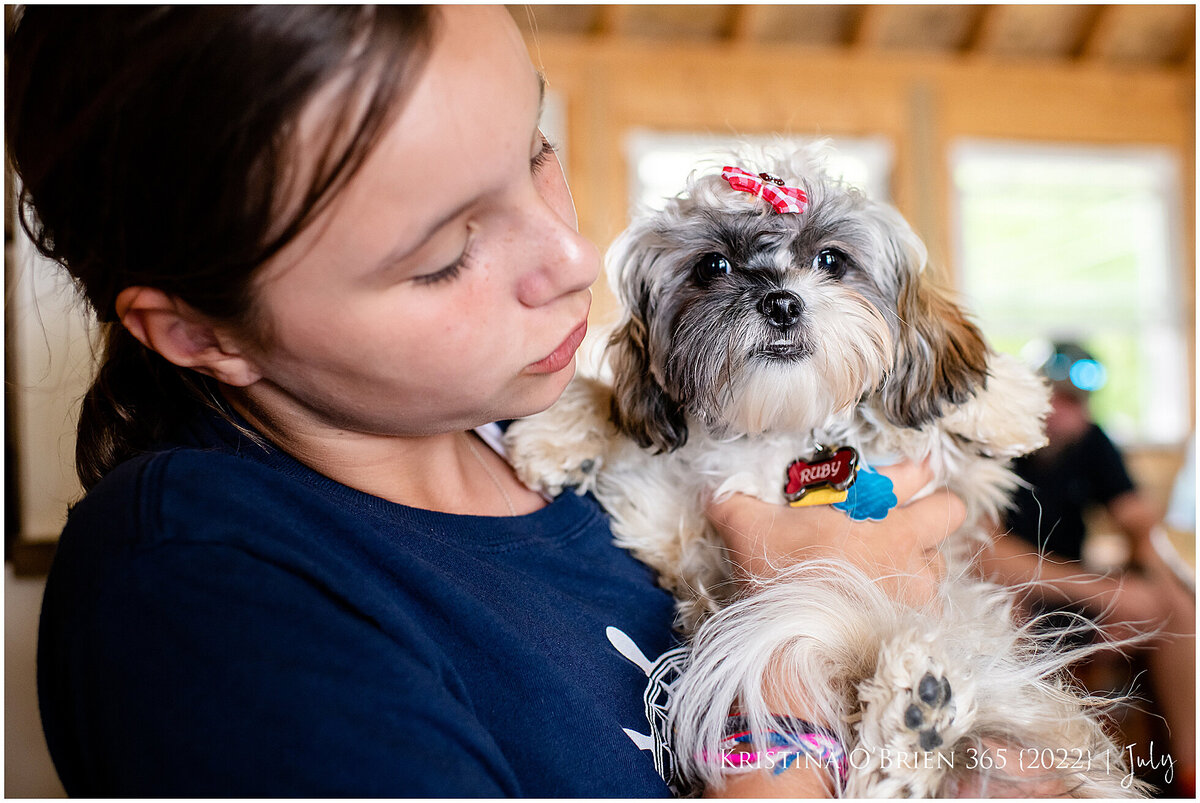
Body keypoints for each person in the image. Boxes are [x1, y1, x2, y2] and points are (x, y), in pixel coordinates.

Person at [8, 6, 964, 796]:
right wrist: (796, 638)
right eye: (444, 255)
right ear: (202, 333)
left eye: (536, 153)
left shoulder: (595, 442)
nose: (573, 260)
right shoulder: (200, 600)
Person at [982, 342, 1195, 796]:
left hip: (1075, 591)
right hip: (1014, 591)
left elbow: (1137, 519)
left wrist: (1158, 582)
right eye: (1057, 398)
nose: (1066, 413)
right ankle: (1039, 776)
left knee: (1178, 608)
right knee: (1006, 607)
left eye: (1076, 402)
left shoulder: (1091, 441)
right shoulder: (994, 444)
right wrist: (1106, 592)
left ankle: (1188, 770)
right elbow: (990, 558)